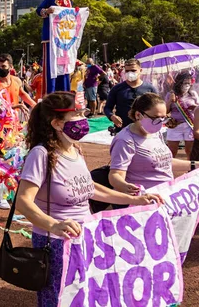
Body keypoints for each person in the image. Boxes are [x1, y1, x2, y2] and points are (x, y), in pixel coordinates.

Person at [15, 91, 163, 307]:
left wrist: (137, 199)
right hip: (55, 242)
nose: (83, 120)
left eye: (83, 114)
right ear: (57, 123)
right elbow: (23, 201)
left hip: (85, 236)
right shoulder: (41, 154)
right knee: (58, 297)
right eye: (76, 116)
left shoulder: (75, 149)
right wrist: (54, 225)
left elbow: (91, 188)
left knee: (84, 293)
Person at [109, 93, 194, 198]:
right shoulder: (125, 140)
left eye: (164, 118)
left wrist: (194, 165)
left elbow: (163, 161)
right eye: (156, 118)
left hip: (165, 195)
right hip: (145, 202)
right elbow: (115, 175)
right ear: (138, 115)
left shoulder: (155, 133)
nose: (161, 123)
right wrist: (134, 191)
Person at [36, 0, 75, 94]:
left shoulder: (70, 2)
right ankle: (50, 94)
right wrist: (47, 11)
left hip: (64, 40)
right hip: (50, 38)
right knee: (51, 66)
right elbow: (38, 10)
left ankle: (64, 93)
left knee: (64, 66)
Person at [104, 58, 157, 133]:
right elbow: (107, 108)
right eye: (127, 71)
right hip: (123, 130)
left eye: (133, 70)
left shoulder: (150, 88)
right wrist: (112, 116)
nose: (130, 73)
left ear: (140, 71)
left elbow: (157, 107)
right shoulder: (117, 88)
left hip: (145, 130)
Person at [165, 72, 199, 158]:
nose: (187, 85)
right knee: (172, 152)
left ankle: (191, 170)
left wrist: (194, 107)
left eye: (189, 83)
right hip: (175, 125)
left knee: (190, 152)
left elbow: (198, 109)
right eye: (185, 83)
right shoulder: (170, 94)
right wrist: (170, 101)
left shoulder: (193, 94)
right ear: (179, 82)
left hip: (190, 125)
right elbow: (165, 111)